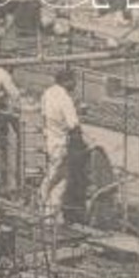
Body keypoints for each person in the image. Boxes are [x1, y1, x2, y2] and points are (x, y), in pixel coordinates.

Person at [39, 69, 81, 216]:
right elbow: (73, 124)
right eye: (73, 81)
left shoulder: (48, 93)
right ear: (66, 81)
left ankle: (50, 213)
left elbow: (44, 114)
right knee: (57, 177)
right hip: (60, 142)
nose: (75, 84)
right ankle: (41, 201)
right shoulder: (65, 98)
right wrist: (79, 111)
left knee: (60, 176)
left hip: (49, 138)